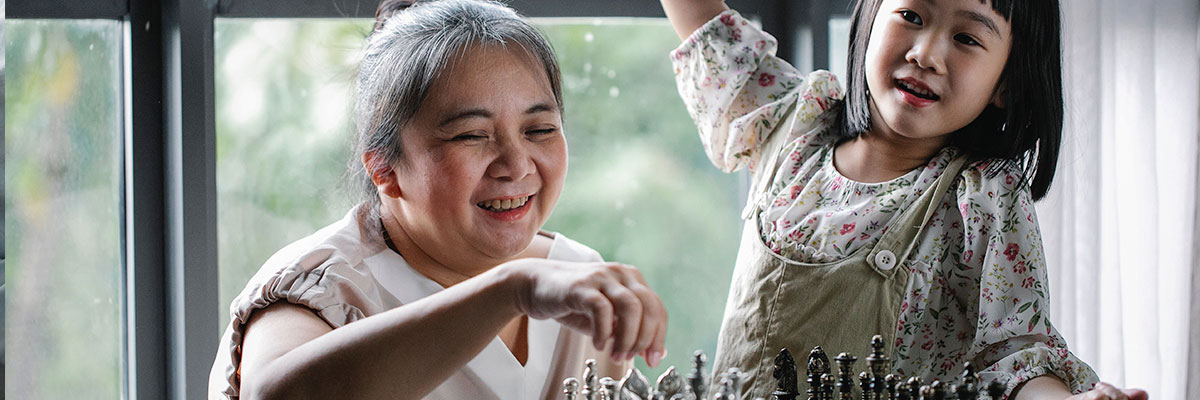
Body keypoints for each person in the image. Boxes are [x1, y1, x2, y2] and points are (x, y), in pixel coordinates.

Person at [659, 0, 1149, 399]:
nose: (926, 54)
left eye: (967, 38)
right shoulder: (793, 127)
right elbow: (712, 34)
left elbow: (1014, 357)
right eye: (912, 16)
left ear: (1005, 83)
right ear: (871, 16)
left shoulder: (981, 197)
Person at [208, 0, 668, 398]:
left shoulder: (578, 276)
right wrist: (513, 289)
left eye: (540, 129)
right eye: (472, 135)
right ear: (384, 169)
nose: (516, 164)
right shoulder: (323, 289)